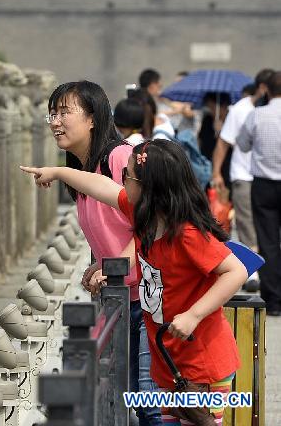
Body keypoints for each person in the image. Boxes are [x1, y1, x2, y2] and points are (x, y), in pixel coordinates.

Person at [21, 139, 247, 423]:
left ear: (149, 188)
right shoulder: (145, 217)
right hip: (168, 361)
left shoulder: (187, 234)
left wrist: (194, 314)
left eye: (127, 176)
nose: (122, 180)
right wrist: (58, 172)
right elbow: (99, 186)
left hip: (202, 362)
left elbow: (235, 271)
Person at [46, 80, 162, 425]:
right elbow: (116, 229)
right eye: (52, 113)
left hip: (151, 297)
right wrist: (99, 264)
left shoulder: (120, 157)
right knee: (125, 395)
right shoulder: (84, 173)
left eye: (65, 112)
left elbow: (151, 221)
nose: (55, 121)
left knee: (149, 401)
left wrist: (118, 263)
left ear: (93, 118)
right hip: (121, 298)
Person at [213, 69, 275, 253]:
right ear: (263, 88)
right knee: (246, 221)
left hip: (270, 177)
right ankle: (254, 271)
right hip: (244, 175)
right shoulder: (241, 110)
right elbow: (224, 142)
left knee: (267, 223)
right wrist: (216, 173)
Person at [237, 70, 281, 316]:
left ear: (267, 90)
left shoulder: (257, 114)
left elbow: (243, 145)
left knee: (268, 242)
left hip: (264, 183)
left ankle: (273, 301)